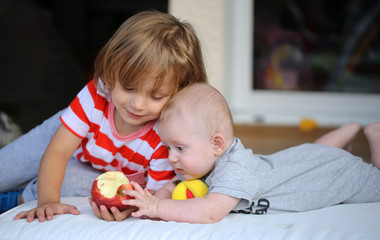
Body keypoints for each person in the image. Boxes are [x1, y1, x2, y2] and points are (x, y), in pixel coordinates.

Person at [3, 10, 207, 221]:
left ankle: (12, 201)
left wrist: (128, 209)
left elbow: (154, 199)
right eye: (129, 88)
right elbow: (59, 149)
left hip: (92, 165)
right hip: (68, 131)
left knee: (67, 183)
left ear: (179, 92)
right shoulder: (97, 94)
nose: (137, 105)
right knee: (6, 169)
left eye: (156, 96)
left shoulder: (167, 136)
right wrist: (47, 201)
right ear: (111, 72)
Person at [122, 82, 380, 224]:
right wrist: (154, 196)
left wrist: (158, 208)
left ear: (217, 144)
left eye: (179, 148)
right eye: (168, 147)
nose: (172, 157)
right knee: (316, 153)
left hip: (333, 176)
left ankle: (374, 137)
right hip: (306, 159)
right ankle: (348, 131)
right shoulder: (201, 162)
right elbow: (172, 185)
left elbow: (210, 212)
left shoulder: (235, 171)